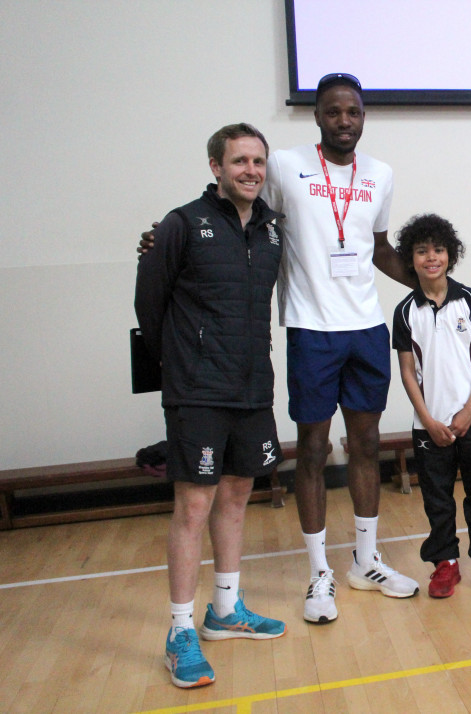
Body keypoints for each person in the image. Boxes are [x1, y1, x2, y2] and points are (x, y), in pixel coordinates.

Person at [140, 73, 420, 624]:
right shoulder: (285, 167)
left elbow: (380, 248)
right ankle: (319, 572)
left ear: (364, 118)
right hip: (310, 329)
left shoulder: (381, 174)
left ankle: (366, 560)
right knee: (312, 450)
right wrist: (164, 238)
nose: (345, 120)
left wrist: (430, 284)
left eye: (354, 112)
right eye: (334, 112)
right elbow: (236, 210)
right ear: (316, 116)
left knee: (367, 444)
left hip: (365, 328)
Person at [135, 123, 286, 689]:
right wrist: (181, 364)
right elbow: (150, 305)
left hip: (252, 387)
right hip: (197, 391)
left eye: (258, 161)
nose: (251, 170)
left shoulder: (272, 231)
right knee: (193, 508)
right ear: (215, 167)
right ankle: (179, 632)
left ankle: (225, 610)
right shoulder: (180, 225)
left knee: (238, 495)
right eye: (239, 160)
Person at [391, 214, 471, 598]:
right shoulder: (405, 311)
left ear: (450, 254)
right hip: (430, 425)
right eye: (422, 250)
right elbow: (408, 372)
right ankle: (446, 563)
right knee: (437, 498)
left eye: (438, 249)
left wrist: (469, 411)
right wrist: (428, 419)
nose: (431, 257)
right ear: (411, 258)